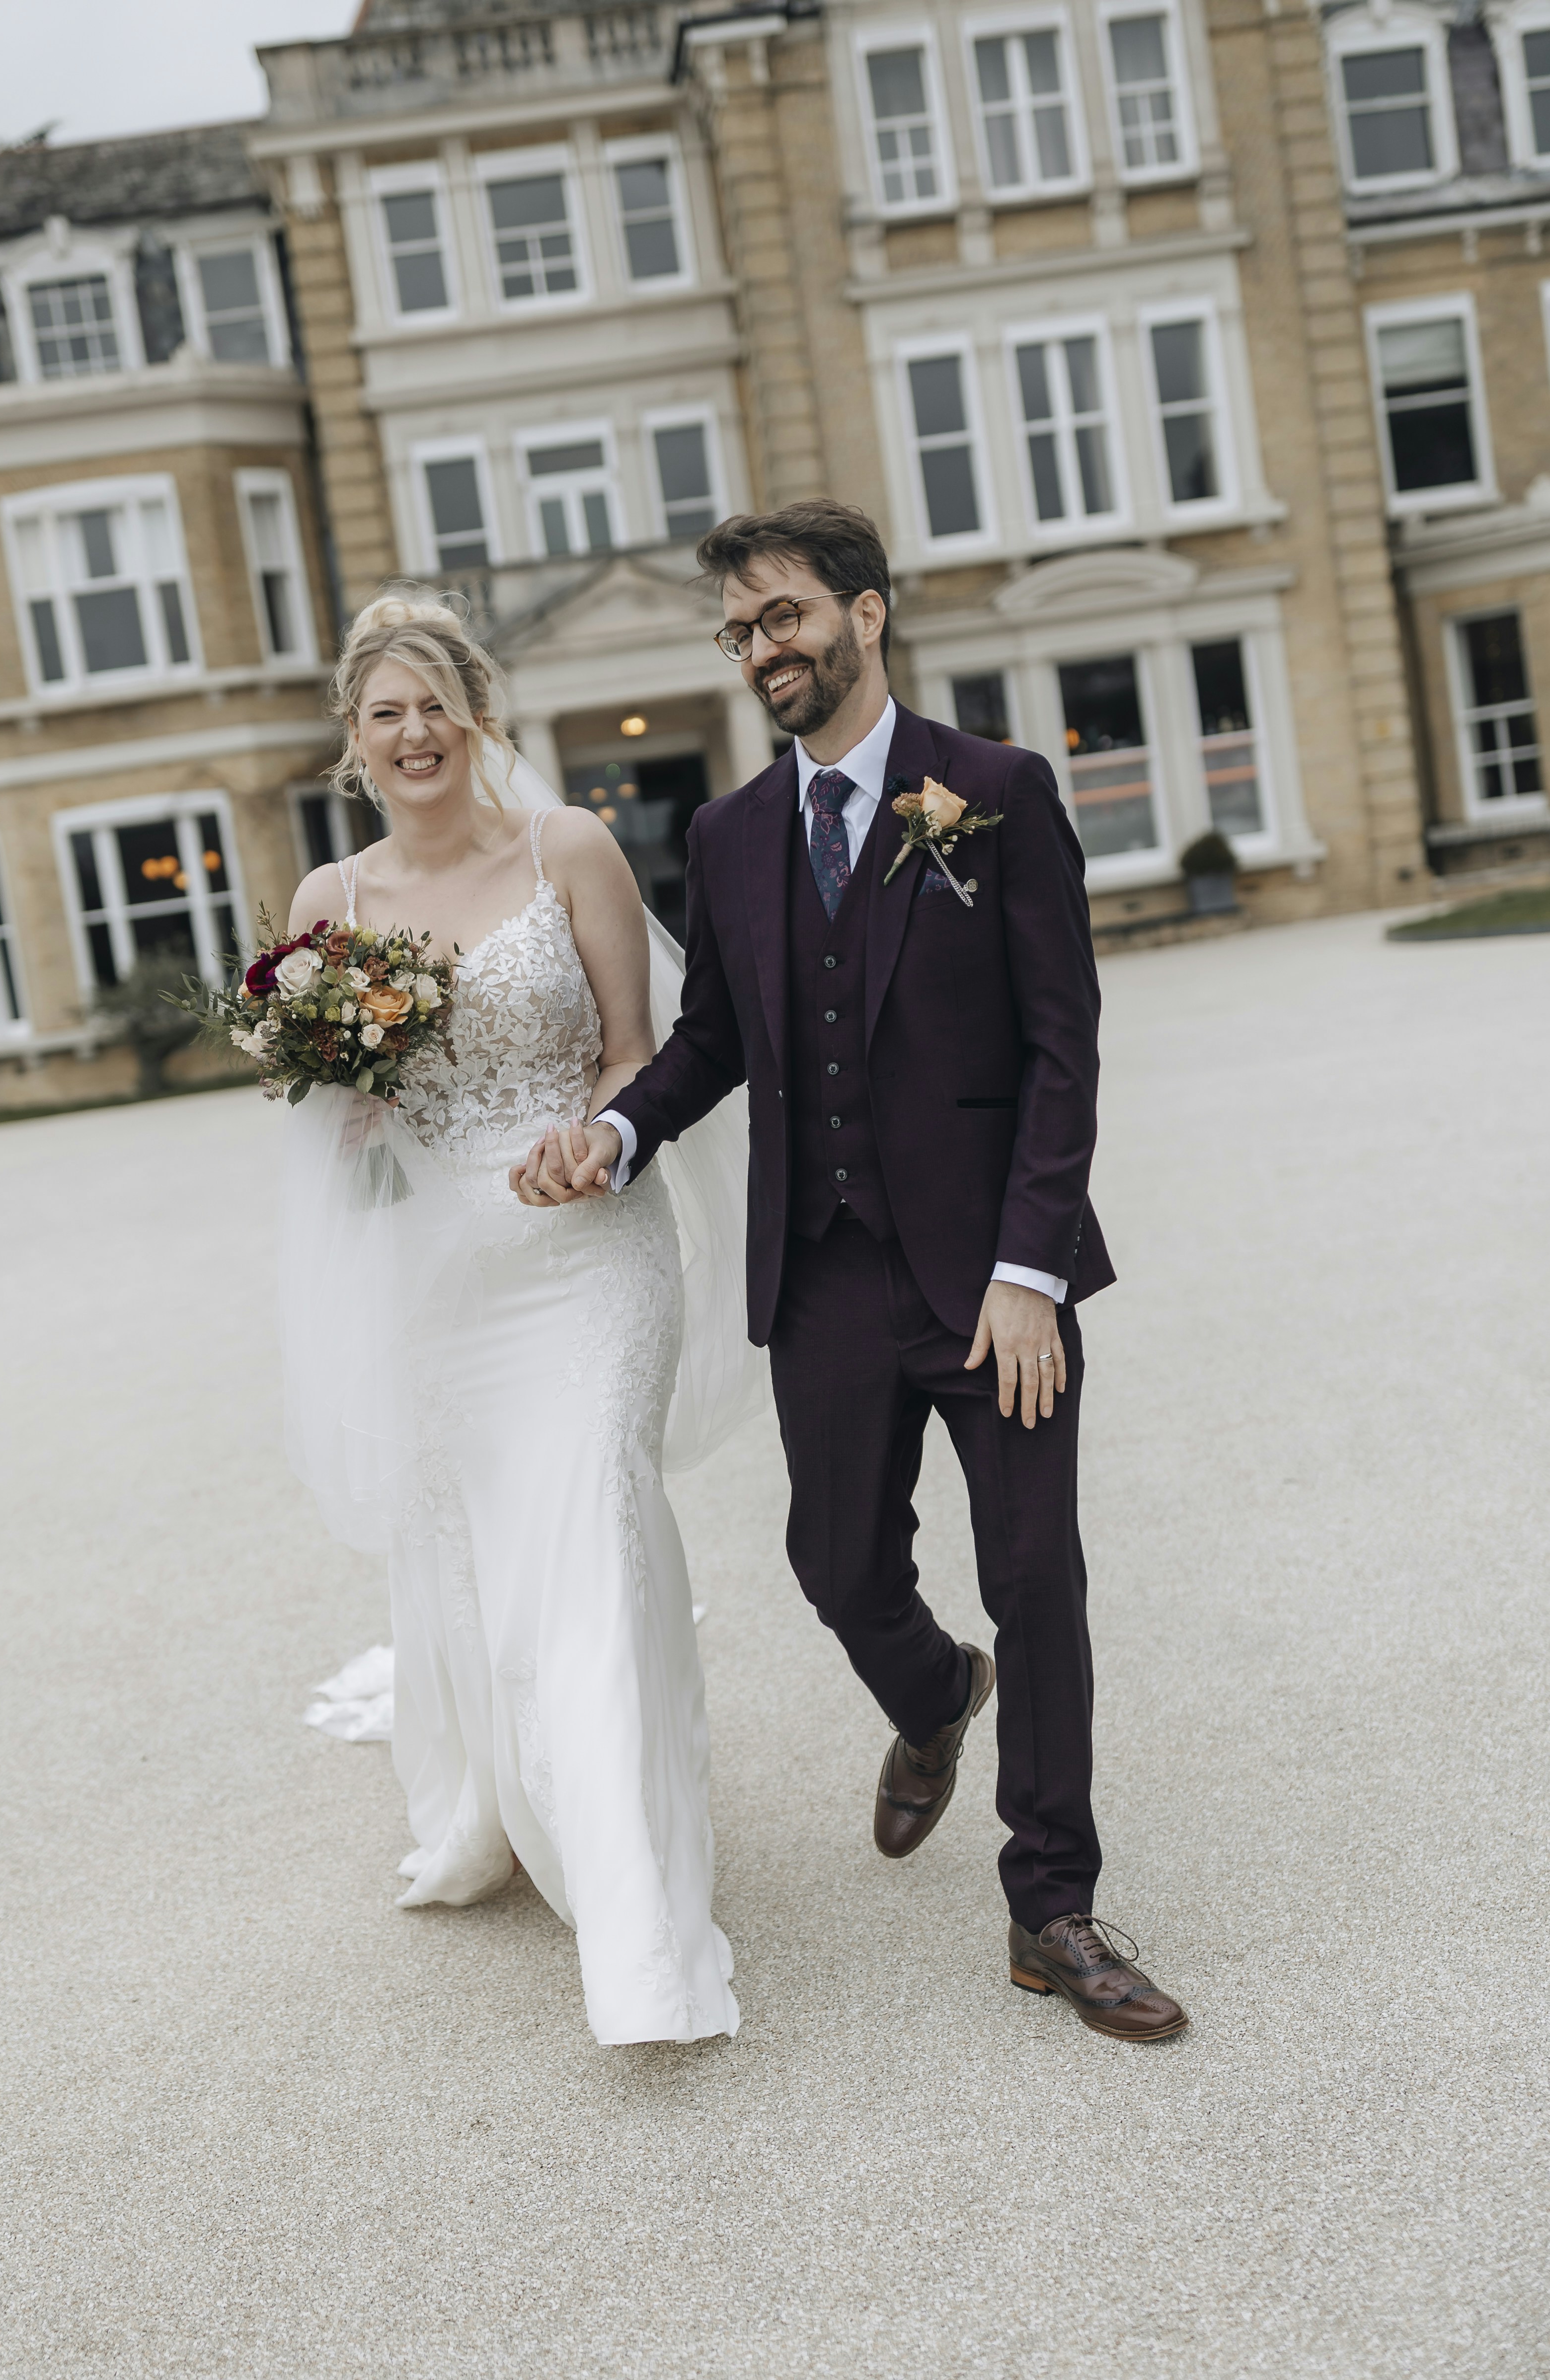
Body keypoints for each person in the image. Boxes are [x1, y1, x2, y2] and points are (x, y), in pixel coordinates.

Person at [522, 502, 1188, 2042]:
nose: (763, 649)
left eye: (784, 618)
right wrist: (613, 1139)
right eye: (740, 631)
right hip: (821, 1271)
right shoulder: (729, 835)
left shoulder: (998, 794)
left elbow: (1059, 1051)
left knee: (1037, 1577)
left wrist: (1029, 1268)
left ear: (864, 615)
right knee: (834, 1565)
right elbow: (713, 1046)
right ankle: (932, 1694)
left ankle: (1052, 1906)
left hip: (990, 1279)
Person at [281, 591, 758, 2049]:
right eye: (385, 715)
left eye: (435, 705)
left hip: (587, 1259)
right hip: (442, 1290)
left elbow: (639, 1051)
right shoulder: (329, 909)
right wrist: (341, 1109)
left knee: (587, 1547)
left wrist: (598, 1137)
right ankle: (506, 1797)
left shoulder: (570, 851)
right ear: (355, 746)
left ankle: (638, 1934)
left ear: (477, 715)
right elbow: (326, 1132)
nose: (414, 733)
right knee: (490, 1572)